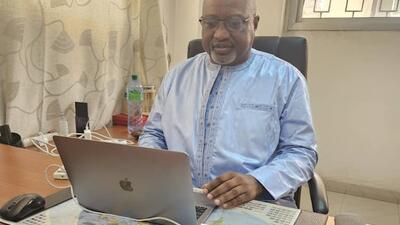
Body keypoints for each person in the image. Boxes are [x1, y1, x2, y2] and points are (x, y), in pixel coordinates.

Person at [139, 0, 317, 209]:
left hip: (257, 205)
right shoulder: (177, 77)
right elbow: (154, 134)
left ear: (254, 24)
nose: (220, 34)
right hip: (181, 201)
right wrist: (155, 167)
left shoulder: (285, 79)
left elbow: (302, 152)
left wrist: (258, 182)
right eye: (210, 23)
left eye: (234, 23)